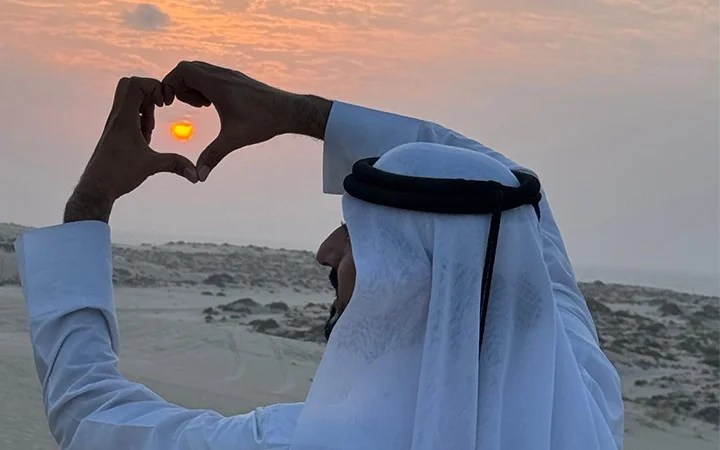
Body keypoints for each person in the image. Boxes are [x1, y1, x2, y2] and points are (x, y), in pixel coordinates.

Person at [15, 62, 624, 449]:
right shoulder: (580, 405)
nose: (327, 251)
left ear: (419, 278)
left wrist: (93, 198)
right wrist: (291, 112)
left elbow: (87, 407)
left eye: (360, 234)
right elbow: (512, 195)